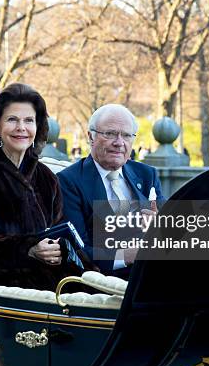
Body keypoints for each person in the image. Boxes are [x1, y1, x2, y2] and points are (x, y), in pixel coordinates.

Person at [0, 83, 91, 290]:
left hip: (50, 271)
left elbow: (61, 231)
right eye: (12, 119)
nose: (21, 127)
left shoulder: (46, 177)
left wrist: (60, 252)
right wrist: (27, 249)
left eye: (29, 120)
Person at [57, 104, 165, 276]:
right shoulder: (68, 181)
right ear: (90, 137)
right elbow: (77, 249)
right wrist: (126, 255)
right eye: (110, 134)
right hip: (106, 278)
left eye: (127, 135)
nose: (119, 143)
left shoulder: (146, 175)